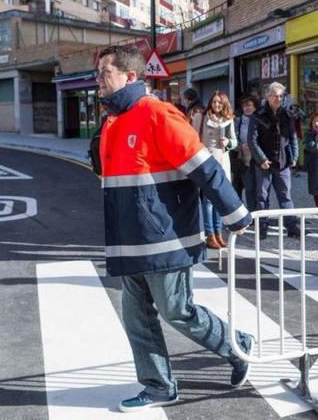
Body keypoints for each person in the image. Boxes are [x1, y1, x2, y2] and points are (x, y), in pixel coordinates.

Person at [95, 45, 253, 411]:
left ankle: (237, 345)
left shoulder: (158, 114)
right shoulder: (113, 119)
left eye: (105, 73)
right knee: (137, 318)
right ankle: (159, 386)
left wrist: (235, 214)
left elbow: (205, 168)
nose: (98, 81)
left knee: (177, 310)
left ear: (130, 77)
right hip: (129, 240)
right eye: (98, 74)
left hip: (163, 238)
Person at [249, 82, 300, 239]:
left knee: (285, 196)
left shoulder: (287, 115)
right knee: (262, 197)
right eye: (275, 96)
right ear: (268, 97)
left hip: (283, 163)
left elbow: (293, 138)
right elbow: (252, 141)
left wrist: (294, 157)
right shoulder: (257, 115)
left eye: (280, 96)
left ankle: (292, 227)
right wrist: (261, 159)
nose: (278, 99)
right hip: (264, 163)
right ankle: (262, 227)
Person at [192, 91, 238, 249]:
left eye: (220, 102)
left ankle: (218, 233)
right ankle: (210, 234)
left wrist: (228, 143)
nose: (217, 105)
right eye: (214, 102)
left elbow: (235, 142)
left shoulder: (228, 119)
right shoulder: (201, 117)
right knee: (208, 200)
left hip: (223, 162)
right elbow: (193, 138)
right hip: (206, 162)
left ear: (225, 104)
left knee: (219, 199)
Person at [232, 96, 259, 211]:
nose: (246, 108)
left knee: (250, 188)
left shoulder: (259, 120)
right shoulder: (238, 120)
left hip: (255, 159)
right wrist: (240, 146)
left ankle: (252, 213)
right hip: (240, 159)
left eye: (249, 106)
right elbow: (232, 139)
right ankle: (239, 214)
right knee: (236, 188)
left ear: (255, 107)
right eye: (244, 106)